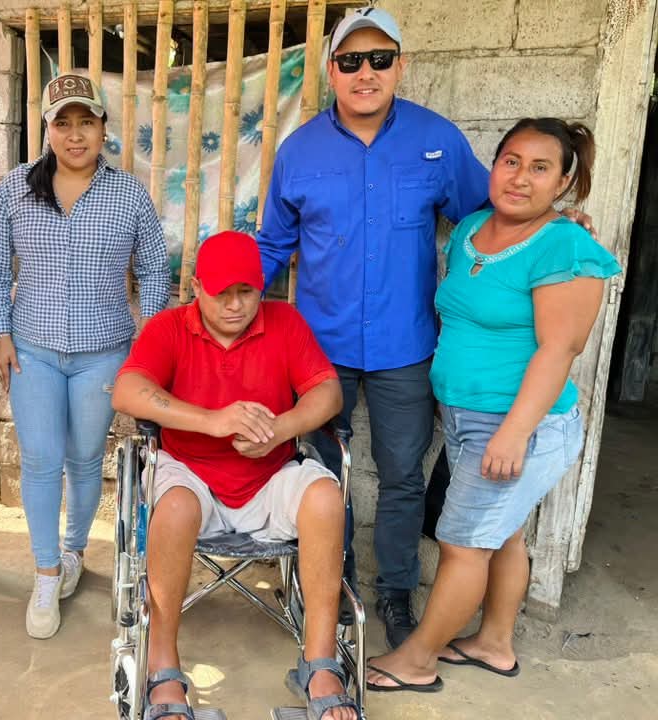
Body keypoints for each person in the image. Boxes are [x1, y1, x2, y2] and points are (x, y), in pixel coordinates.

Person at [256, 6, 492, 648]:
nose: (366, 73)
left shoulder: (436, 140)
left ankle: (394, 593)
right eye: (351, 61)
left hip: (405, 346)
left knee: (402, 475)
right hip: (319, 352)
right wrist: (225, 298)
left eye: (380, 60)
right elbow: (273, 245)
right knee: (320, 473)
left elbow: (485, 219)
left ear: (400, 67)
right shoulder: (299, 151)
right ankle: (329, 587)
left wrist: (550, 229)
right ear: (331, 71)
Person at [365, 119, 620, 693]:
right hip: (466, 417)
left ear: (563, 182)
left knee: (462, 544)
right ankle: (495, 643)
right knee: (502, 535)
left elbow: (560, 349)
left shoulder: (567, 246)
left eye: (540, 168)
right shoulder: (472, 228)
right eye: (511, 161)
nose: (521, 178)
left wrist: (513, 433)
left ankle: (417, 661)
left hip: (519, 423)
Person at [112, 231, 358, 720]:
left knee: (326, 497)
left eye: (246, 292)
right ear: (196, 288)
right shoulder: (169, 327)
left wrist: (280, 429)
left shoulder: (284, 322)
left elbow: (328, 393)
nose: (234, 305)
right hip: (191, 475)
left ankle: (320, 664)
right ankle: (163, 668)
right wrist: (213, 420)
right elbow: (127, 391)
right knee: (174, 507)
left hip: (269, 472)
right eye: (221, 292)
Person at [0, 73, 170, 639]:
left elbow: (155, 270)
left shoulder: (128, 194)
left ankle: (74, 551)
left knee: (84, 459)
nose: (76, 134)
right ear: (47, 129)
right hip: (32, 349)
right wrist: (0, 332)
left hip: (103, 353)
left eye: (87, 121)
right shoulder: (17, 189)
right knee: (39, 460)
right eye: (63, 123)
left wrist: (148, 341)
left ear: (104, 128)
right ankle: (45, 573)